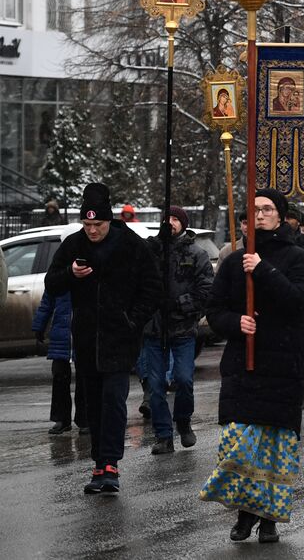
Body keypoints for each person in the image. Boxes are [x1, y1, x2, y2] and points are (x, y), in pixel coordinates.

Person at [199, 188, 304, 543]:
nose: (261, 215)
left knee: (275, 449)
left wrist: (263, 269)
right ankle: (244, 512)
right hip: (243, 367)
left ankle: (268, 519)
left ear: (280, 216)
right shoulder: (234, 261)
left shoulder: (298, 258)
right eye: (255, 210)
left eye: (268, 209)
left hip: (281, 365)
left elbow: (297, 301)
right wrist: (237, 323)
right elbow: (215, 310)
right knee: (240, 444)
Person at [44, 182, 161, 496]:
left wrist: (133, 319)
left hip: (120, 337)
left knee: (113, 401)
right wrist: (70, 273)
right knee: (93, 403)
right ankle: (99, 464)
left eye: (98, 224)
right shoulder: (73, 245)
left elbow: (152, 287)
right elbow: (51, 283)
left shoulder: (131, 245)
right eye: (87, 224)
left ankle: (110, 465)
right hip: (85, 338)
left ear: (109, 220)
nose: (92, 230)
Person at [142, 206, 214, 455]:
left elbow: (206, 291)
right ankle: (163, 435)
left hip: (182, 328)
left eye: (175, 219)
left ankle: (183, 421)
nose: (170, 223)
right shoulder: (152, 250)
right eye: (167, 219)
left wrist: (180, 304)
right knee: (155, 384)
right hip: (154, 328)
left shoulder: (196, 254)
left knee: (183, 379)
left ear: (184, 224)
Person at [33, 285, 86, 435]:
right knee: (59, 375)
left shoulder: (89, 268)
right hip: (61, 334)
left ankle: (85, 419)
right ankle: (61, 419)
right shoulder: (59, 271)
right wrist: (39, 325)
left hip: (83, 333)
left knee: (85, 378)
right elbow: (47, 301)